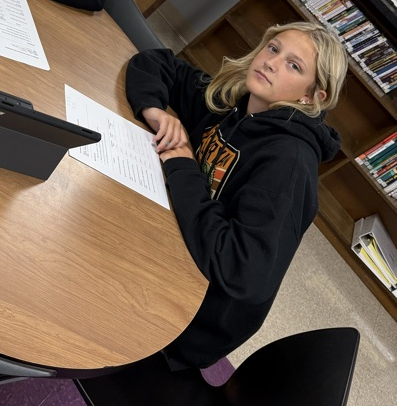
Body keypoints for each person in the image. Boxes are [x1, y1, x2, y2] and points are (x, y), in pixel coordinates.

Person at [125, 21, 348, 369]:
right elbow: (157, 63)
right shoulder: (238, 102)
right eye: (274, 48)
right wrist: (155, 110)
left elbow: (242, 270)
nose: (272, 62)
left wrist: (184, 168)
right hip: (177, 243)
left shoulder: (288, 165)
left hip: (189, 322)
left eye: (294, 65)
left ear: (311, 96)